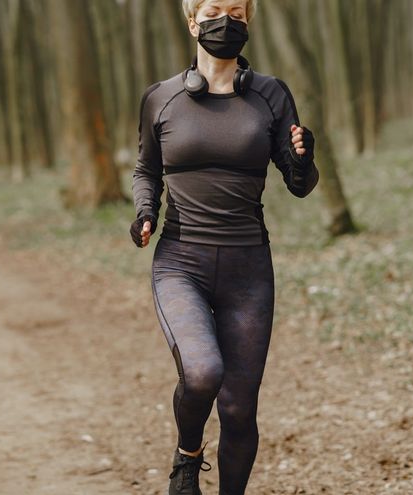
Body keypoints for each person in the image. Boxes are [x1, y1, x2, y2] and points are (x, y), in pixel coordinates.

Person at [129, 1, 320, 494]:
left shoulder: (271, 95)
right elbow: (147, 169)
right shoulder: (162, 97)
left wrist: (303, 158)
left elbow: (298, 183)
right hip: (181, 261)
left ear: (248, 21)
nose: (226, 20)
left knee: (238, 409)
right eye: (215, 9)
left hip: (248, 267)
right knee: (202, 372)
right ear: (192, 21)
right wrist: (146, 211)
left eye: (237, 10)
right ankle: (187, 456)